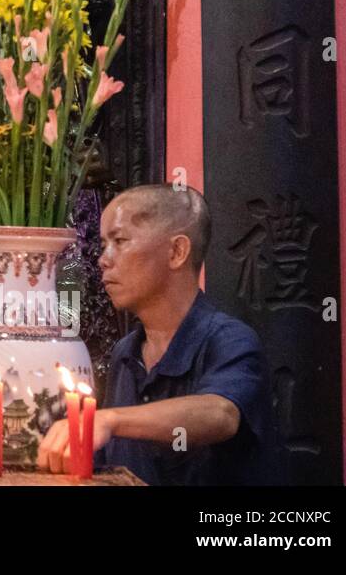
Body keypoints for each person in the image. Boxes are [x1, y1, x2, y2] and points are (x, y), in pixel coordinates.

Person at [37, 184, 283, 484]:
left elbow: (221, 413)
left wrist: (111, 420)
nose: (104, 259)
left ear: (177, 251)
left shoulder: (229, 340)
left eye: (120, 240)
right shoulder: (126, 352)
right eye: (104, 244)